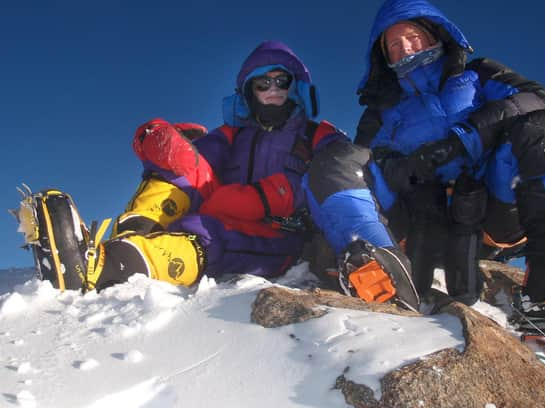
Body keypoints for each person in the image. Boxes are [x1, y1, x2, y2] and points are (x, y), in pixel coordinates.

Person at [306, 0, 545, 324]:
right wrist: (402, 169)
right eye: (394, 44)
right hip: (416, 222)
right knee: (336, 161)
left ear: (435, 35)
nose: (405, 48)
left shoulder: (479, 74)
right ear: (383, 55)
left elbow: (537, 99)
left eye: (412, 37)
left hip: (491, 209)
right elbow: (367, 163)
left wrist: (461, 141)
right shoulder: (378, 112)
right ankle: (381, 267)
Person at [76, 40, 353, 291]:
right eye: (263, 84)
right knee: (178, 168)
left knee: (207, 232)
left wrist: (262, 198)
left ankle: (121, 266)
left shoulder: (315, 134)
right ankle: (132, 236)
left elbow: (341, 178)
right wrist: (164, 145)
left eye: (281, 81)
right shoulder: (231, 135)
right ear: (249, 91)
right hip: (220, 212)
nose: (273, 90)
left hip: (282, 236)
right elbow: (193, 167)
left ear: (295, 87)